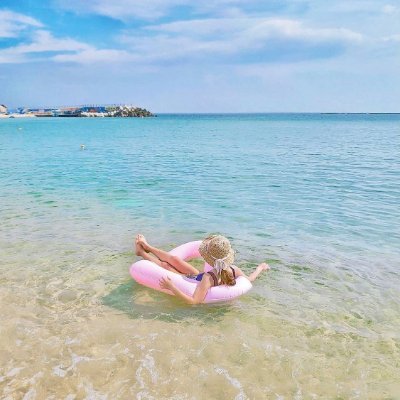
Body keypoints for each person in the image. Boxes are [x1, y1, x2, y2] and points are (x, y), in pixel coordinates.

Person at [135, 234, 270, 304]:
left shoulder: (208, 278)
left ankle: (142, 253)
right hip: (197, 276)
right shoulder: (234, 269)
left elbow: (194, 302)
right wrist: (260, 268)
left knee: (166, 266)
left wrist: (171, 287)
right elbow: (249, 279)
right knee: (175, 259)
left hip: (192, 280)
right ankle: (147, 247)